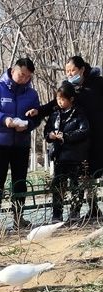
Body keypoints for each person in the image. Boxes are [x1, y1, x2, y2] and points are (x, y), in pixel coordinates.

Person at [28, 55, 103, 221]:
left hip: (96, 136)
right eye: (67, 71)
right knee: (83, 176)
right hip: (77, 142)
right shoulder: (69, 87)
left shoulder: (98, 83)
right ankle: (91, 208)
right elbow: (55, 103)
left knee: (92, 174)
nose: (69, 74)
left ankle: (93, 208)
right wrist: (39, 111)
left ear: (82, 69)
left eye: (73, 70)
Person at [0, 57, 40, 229]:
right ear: (13, 70)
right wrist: (5, 120)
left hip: (21, 143)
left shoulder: (32, 94)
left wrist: (29, 123)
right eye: (22, 74)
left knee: (20, 181)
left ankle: (19, 217)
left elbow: (37, 118)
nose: (24, 79)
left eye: (28, 77)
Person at [43, 82, 90, 223]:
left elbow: (84, 131)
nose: (60, 102)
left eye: (63, 99)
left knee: (76, 186)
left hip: (75, 156)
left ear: (71, 99)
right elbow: (46, 131)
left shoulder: (79, 113)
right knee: (58, 186)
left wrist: (66, 136)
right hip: (59, 156)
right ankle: (57, 214)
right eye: (58, 99)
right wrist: (50, 135)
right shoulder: (55, 114)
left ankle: (75, 212)